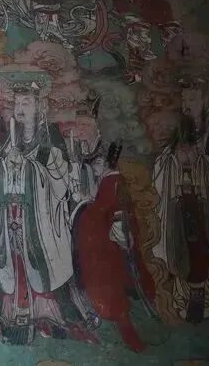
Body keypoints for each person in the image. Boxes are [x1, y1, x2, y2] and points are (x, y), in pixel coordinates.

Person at [0, 86, 89, 344]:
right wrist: (1, 165)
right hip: (9, 221)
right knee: (12, 266)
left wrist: (29, 168)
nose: (20, 109)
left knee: (38, 266)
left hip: (39, 224)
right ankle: (9, 314)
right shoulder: (5, 145)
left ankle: (47, 315)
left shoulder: (50, 148)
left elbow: (61, 186)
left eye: (26, 103)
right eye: (17, 104)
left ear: (40, 108)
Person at [151, 80, 209, 323]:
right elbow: (164, 167)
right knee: (182, 252)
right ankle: (186, 297)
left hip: (205, 207)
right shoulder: (173, 146)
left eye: (193, 99)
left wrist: (202, 169)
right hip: (181, 209)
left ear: (204, 101)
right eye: (185, 99)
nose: (188, 105)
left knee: (203, 252)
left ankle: (207, 297)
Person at [73, 143, 151, 352]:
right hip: (108, 244)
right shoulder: (108, 181)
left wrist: (87, 205)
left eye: (98, 163)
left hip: (108, 245)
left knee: (112, 286)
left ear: (107, 163)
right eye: (94, 164)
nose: (95, 168)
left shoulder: (112, 181)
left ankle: (128, 331)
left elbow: (113, 212)